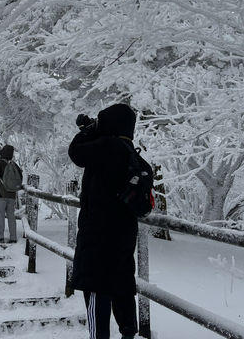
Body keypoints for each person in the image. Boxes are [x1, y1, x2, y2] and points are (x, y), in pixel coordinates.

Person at [68, 103, 139, 339]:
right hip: (123, 235)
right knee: (121, 285)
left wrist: (89, 131)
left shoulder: (107, 146)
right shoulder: (130, 151)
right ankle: (128, 332)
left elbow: (76, 152)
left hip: (99, 234)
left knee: (97, 288)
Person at [0, 145, 22, 243]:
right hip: (12, 195)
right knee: (11, 216)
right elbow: (20, 179)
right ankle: (13, 237)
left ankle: (0, 237)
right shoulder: (15, 165)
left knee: (0, 216)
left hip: (1, 194)